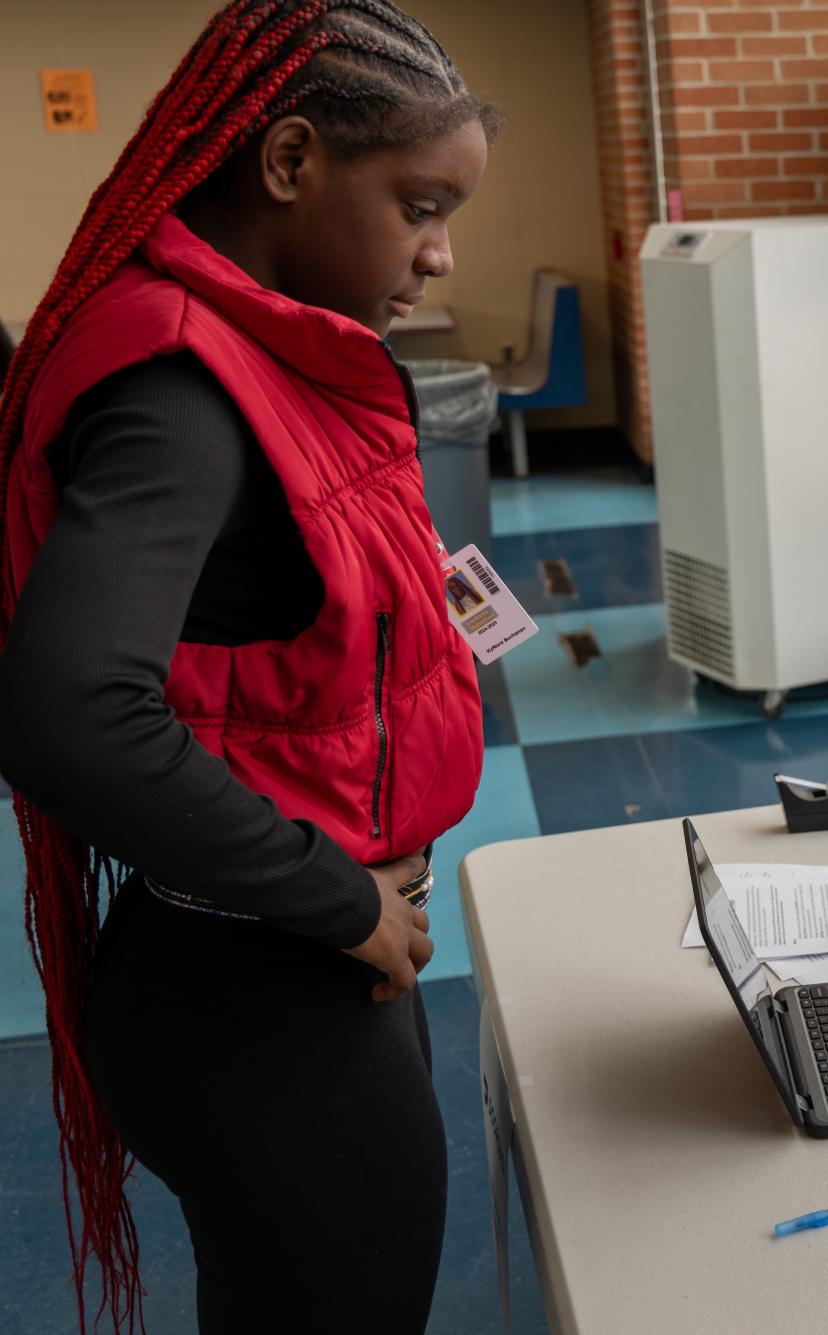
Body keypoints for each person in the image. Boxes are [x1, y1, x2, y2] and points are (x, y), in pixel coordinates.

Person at [0, 4, 498, 1331]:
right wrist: (336, 896)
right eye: (420, 205)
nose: (441, 251)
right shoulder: (181, 386)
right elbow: (66, 713)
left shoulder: (264, 352)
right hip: (249, 986)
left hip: (272, 966)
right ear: (287, 163)